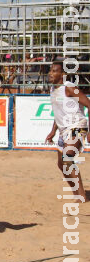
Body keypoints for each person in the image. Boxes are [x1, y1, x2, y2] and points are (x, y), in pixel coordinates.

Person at [45, 60, 88, 202]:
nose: (51, 73)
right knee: (61, 165)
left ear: (62, 74)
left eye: (54, 71)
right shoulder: (52, 89)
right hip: (64, 130)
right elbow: (58, 113)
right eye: (50, 70)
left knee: (67, 159)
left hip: (77, 126)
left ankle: (81, 196)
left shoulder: (69, 87)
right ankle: (78, 193)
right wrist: (52, 131)